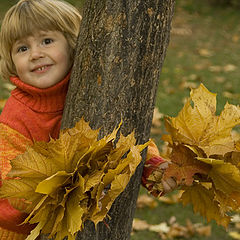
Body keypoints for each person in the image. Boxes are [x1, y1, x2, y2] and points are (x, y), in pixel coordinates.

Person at [0, 0, 176, 239]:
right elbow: (13, 182)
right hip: (17, 230)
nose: (35, 54)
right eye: (22, 48)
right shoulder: (15, 116)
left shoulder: (91, 88)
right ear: (11, 60)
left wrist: (150, 164)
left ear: (73, 43)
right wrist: (74, 192)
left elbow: (121, 135)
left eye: (47, 41)